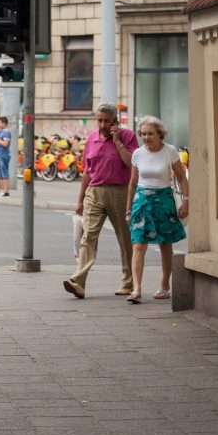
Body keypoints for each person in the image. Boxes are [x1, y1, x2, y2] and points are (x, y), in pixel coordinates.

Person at [64, 104, 139, 299]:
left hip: (120, 192)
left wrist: (117, 142)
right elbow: (87, 172)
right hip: (94, 193)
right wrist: (79, 200)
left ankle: (128, 282)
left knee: (125, 239)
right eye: (99, 120)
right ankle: (78, 281)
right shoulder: (91, 138)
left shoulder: (128, 136)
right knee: (88, 236)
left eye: (106, 120)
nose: (102, 124)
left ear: (114, 120)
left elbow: (132, 165)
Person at [125, 116, 189, 303]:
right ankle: (136, 289)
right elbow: (132, 183)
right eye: (143, 134)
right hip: (141, 200)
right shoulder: (137, 153)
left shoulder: (170, 151)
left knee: (165, 244)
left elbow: (181, 177)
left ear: (160, 134)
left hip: (164, 200)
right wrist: (128, 210)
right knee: (138, 244)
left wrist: (186, 201)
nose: (146, 137)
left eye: (150, 133)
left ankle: (164, 285)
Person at [0, 117, 12, 197]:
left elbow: (5, 144)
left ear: (4, 123)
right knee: (2, 173)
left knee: (4, 173)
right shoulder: (3, 132)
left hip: (4, 155)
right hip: (1, 154)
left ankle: (6, 192)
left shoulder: (6, 132)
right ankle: (4, 191)